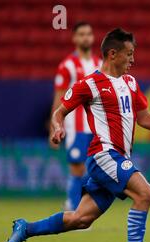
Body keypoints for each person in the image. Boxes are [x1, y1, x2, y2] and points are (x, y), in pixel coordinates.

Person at [4, 28, 150, 242]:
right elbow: (60, 112)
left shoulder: (130, 82)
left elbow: (143, 117)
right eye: (129, 54)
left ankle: (26, 228)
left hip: (119, 157)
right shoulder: (89, 84)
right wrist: (56, 128)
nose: (133, 59)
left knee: (80, 219)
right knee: (145, 193)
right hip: (104, 155)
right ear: (112, 54)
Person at [51, 21, 102, 211]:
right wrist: (54, 126)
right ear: (74, 38)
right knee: (77, 167)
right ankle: (72, 209)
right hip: (76, 126)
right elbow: (59, 98)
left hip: (97, 126)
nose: (85, 37)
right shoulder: (67, 66)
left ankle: (83, 210)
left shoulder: (101, 64)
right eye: (81, 34)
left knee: (94, 169)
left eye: (88, 34)